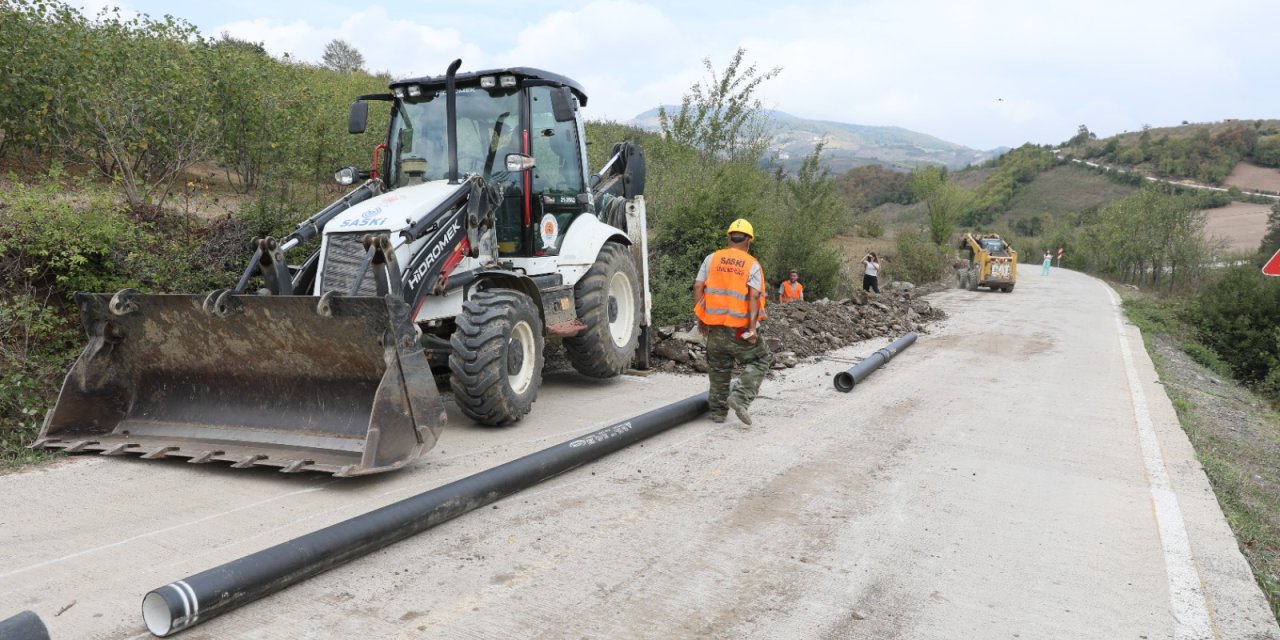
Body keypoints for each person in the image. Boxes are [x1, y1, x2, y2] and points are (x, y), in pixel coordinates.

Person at [694, 219, 773, 426]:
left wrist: (702, 318)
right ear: (748, 241)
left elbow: (698, 287)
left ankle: (719, 412)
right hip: (739, 329)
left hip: (714, 327)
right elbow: (754, 296)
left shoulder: (712, 258)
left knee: (719, 368)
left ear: (729, 237)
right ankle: (739, 398)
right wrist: (752, 328)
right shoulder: (751, 264)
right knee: (761, 359)